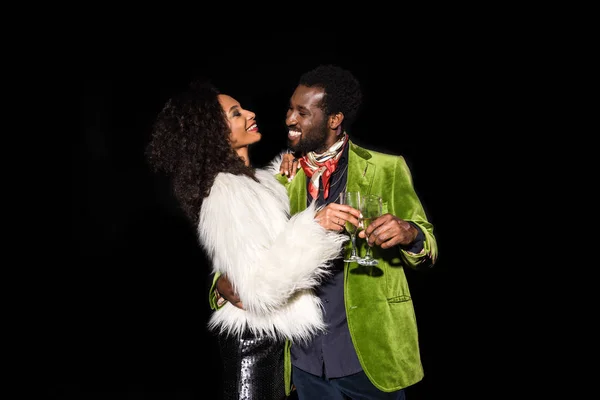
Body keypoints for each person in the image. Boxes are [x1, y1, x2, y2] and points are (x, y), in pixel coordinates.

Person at [214, 64, 438, 399]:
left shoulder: (386, 169)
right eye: (290, 108)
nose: (290, 119)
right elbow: (241, 248)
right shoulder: (279, 177)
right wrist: (219, 283)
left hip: (372, 358)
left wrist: (410, 234)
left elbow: (427, 246)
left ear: (334, 119)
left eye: (302, 112)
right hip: (305, 362)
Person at [145, 79, 350, 400]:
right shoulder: (227, 191)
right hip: (255, 348)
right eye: (236, 113)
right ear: (215, 132)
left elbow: (259, 242)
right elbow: (257, 289)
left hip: (273, 344)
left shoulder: (251, 183)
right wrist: (314, 225)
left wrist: (286, 173)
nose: (251, 113)